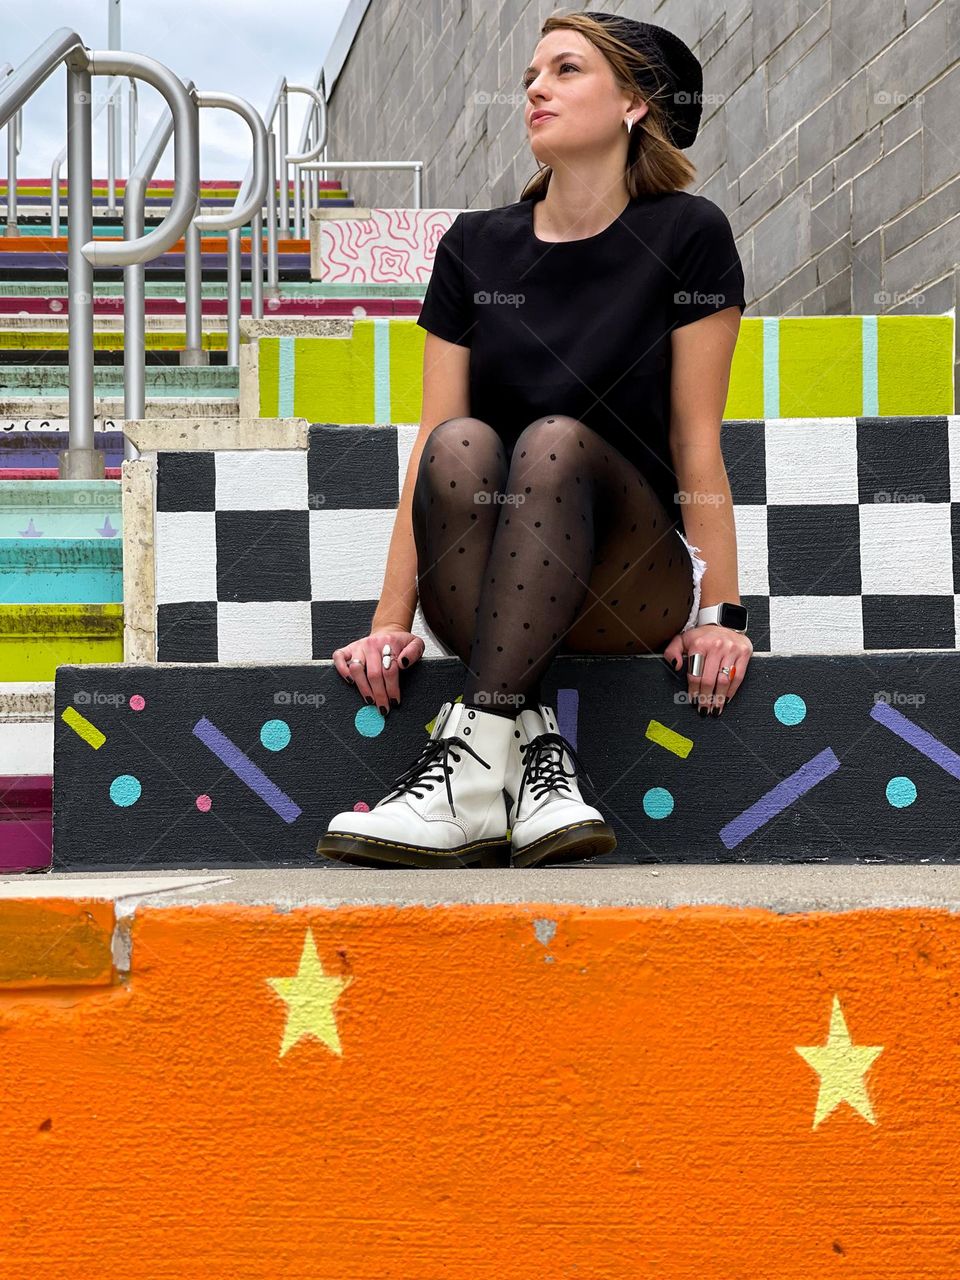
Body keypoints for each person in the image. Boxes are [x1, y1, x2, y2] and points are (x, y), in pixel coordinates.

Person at [316, 9, 753, 871]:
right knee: (460, 447)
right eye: (530, 78)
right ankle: (528, 758)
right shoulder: (475, 248)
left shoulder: (688, 235)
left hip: (630, 578)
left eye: (564, 70)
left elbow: (697, 441)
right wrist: (387, 621)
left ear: (633, 102)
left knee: (551, 442)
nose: (536, 91)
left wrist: (723, 616)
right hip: (482, 585)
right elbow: (429, 448)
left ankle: (469, 770)